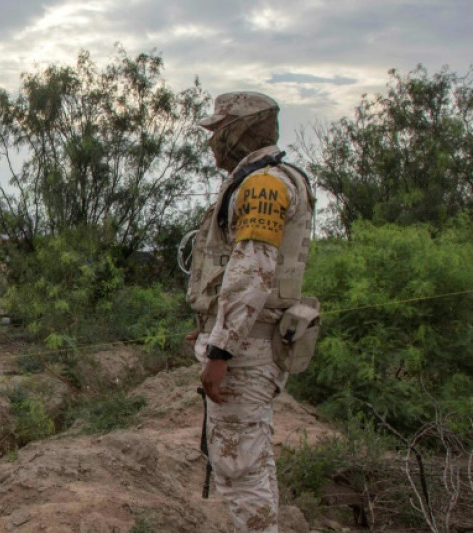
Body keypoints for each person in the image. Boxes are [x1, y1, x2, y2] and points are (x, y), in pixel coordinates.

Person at [187, 92, 315, 532]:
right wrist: (209, 328)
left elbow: (251, 271)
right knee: (251, 465)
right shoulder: (265, 179)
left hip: (247, 352)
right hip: (253, 342)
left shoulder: (262, 184)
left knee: (240, 470)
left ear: (240, 131)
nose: (214, 142)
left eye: (219, 130)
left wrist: (220, 350)